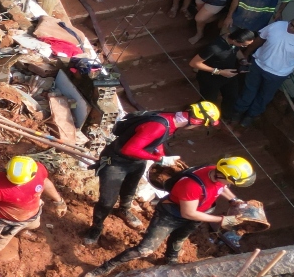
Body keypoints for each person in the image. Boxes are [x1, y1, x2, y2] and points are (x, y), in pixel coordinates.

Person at [82, 157, 254, 277]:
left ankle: (170, 260)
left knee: (179, 239)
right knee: (145, 250)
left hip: (197, 214)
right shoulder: (192, 185)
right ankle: (103, 269)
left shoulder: (216, 172)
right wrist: (222, 220)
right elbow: (189, 213)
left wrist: (234, 200)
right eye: (233, 181)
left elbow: (221, 187)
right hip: (171, 215)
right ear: (222, 174)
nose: (232, 185)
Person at [83, 103, 221, 246]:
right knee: (107, 201)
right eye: (200, 125)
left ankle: (123, 210)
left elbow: (158, 140)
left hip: (137, 161)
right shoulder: (159, 126)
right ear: (197, 121)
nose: (198, 128)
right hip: (116, 161)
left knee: (129, 189)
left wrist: (159, 153)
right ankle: (96, 227)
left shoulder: (171, 119)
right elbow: (128, 149)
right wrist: (159, 159)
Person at [232, 13, 294, 127]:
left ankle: (251, 115)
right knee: (249, 90)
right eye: (291, 24)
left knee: (265, 96)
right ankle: (238, 111)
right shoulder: (277, 25)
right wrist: (246, 54)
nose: (290, 27)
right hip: (258, 64)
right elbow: (260, 39)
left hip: (277, 74)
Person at [0, 155, 67, 253]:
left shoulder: (39, 170)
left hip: (33, 214)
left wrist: (59, 201)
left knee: (34, 225)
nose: (17, 185)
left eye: (21, 183)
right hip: (4, 223)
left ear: (34, 173)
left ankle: (22, 232)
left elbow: (45, 182)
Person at [190, 28, 255, 118]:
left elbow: (236, 48)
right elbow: (194, 63)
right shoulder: (215, 47)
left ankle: (226, 116)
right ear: (235, 40)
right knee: (209, 101)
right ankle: (197, 115)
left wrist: (242, 59)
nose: (244, 47)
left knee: (231, 96)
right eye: (243, 45)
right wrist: (219, 72)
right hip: (210, 78)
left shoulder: (232, 40)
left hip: (229, 74)